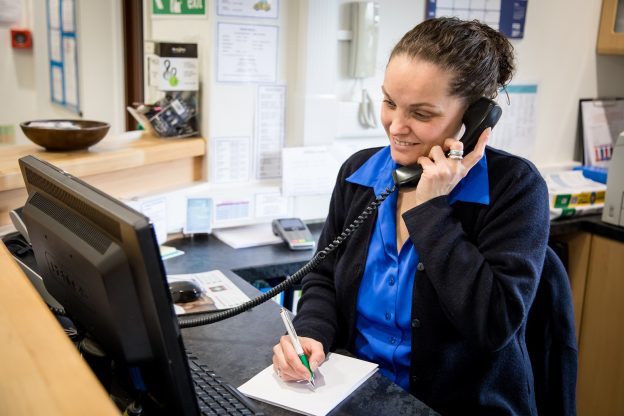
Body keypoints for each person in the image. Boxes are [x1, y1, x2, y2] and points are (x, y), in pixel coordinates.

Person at [272, 17, 549, 415]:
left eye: (420, 113)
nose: (395, 127)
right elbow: (323, 276)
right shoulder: (361, 174)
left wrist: (431, 209)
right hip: (357, 394)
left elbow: (493, 326)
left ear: (474, 119)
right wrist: (312, 333)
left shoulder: (515, 189)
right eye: (389, 102)